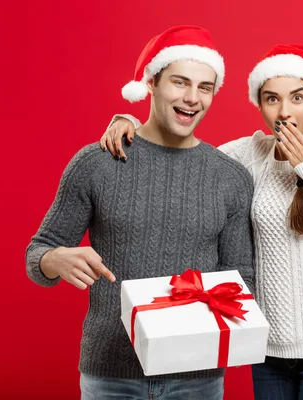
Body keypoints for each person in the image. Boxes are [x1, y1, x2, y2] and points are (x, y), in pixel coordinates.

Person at [102, 44, 303, 400]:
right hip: (267, 347)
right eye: (272, 99)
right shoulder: (247, 154)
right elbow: (183, 150)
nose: (285, 111)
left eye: (297, 98)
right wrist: (132, 123)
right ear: (259, 105)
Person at [25, 25, 254, 400]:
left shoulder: (229, 178)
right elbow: (38, 252)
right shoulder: (97, 163)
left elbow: (243, 276)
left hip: (196, 378)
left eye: (204, 87)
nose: (192, 97)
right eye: (180, 82)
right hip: (110, 375)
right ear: (151, 82)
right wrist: (53, 259)